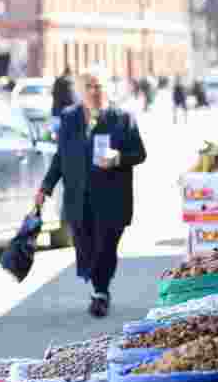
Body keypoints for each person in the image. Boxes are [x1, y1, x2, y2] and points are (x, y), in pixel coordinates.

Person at [35, 72, 147, 318]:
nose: (94, 91)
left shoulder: (122, 118)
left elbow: (140, 153)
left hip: (113, 198)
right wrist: (46, 186)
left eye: (99, 86)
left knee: (106, 247)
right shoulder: (69, 118)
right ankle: (98, 284)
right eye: (89, 87)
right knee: (86, 245)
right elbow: (60, 156)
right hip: (79, 197)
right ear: (80, 90)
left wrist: (118, 158)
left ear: (107, 89)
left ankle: (100, 292)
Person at [51, 66, 77, 133]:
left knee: (57, 132)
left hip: (56, 111)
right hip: (64, 113)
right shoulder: (67, 83)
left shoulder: (58, 81)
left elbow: (53, 93)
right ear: (69, 73)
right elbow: (69, 98)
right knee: (63, 132)